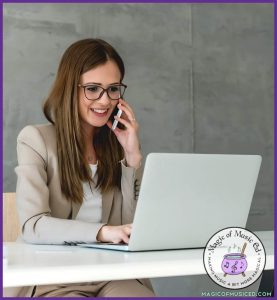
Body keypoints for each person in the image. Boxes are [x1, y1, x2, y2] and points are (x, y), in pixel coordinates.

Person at [15, 38, 155, 297]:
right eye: (93, 89)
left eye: (113, 89)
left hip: (109, 273)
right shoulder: (35, 140)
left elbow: (131, 227)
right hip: (53, 276)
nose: (105, 101)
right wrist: (102, 232)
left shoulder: (116, 146)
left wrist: (133, 157)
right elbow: (33, 225)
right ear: (70, 88)